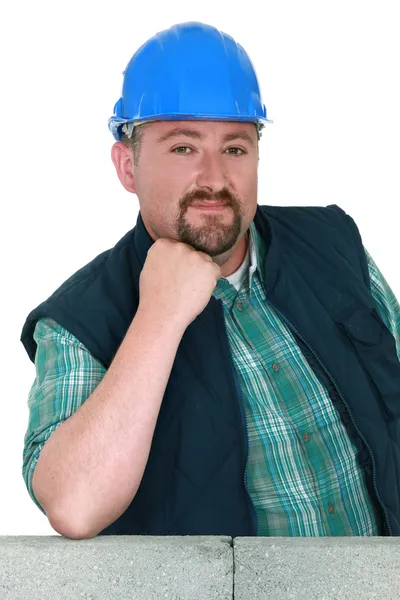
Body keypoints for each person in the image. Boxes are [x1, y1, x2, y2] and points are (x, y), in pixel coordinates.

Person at [21, 21, 400, 540]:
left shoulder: (335, 241)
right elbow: (75, 505)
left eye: (236, 149)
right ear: (127, 166)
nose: (216, 179)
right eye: (183, 148)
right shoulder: (79, 320)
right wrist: (159, 316)